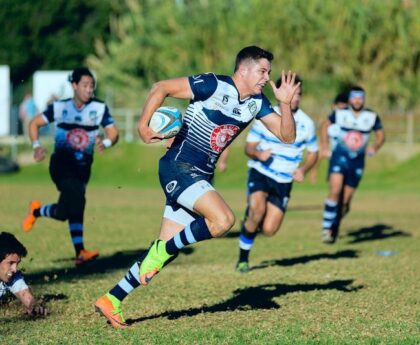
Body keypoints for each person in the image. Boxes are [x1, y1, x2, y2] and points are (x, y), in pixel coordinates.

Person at [95, 45, 300, 328]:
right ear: (243, 69)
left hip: (200, 175)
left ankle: (112, 298)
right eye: (262, 71)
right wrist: (143, 125)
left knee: (166, 249)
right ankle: (161, 251)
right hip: (178, 167)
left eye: (269, 73)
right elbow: (161, 86)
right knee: (223, 219)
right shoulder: (213, 85)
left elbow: (287, 136)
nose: (267, 78)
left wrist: (286, 104)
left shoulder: (257, 102)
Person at [22, 67, 119, 266]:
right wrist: (37, 146)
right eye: (85, 85)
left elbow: (113, 133)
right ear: (74, 85)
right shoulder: (60, 107)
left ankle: (37, 211)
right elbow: (33, 123)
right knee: (78, 198)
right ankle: (80, 252)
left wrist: (106, 142)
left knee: (63, 212)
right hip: (61, 165)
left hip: (83, 168)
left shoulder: (99, 108)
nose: (89, 89)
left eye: (92, 86)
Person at [235, 75, 319, 273]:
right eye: (292, 93)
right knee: (256, 211)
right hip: (261, 172)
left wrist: (303, 169)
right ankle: (242, 259)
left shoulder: (307, 123)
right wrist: (258, 154)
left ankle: (250, 222)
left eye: (298, 94)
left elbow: (314, 152)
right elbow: (248, 148)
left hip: (284, 180)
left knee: (270, 230)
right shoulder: (266, 115)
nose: (295, 97)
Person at [319, 86, 385, 243]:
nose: (357, 101)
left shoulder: (371, 116)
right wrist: (324, 146)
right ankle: (327, 229)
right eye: (354, 97)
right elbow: (324, 125)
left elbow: (381, 135)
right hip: (339, 158)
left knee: (346, 201)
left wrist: (374, 147)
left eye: (360, 98)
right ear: (350, 99)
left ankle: (334, 225)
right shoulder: (340, 114)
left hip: (357, 162)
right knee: (335, 190)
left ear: (364, 99)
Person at [0, 232, 47, 316]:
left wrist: (34, 307)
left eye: (17, 264)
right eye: (10, 263)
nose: (14, 269)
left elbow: (26, 296)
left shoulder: (12, 277)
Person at [308, 92, 348, 184]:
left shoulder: (346, 118)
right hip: (332, 148)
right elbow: (324, 126)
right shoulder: (333, 119)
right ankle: (314, 173)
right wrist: (325, 143)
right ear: (335, 105)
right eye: (340, 106)